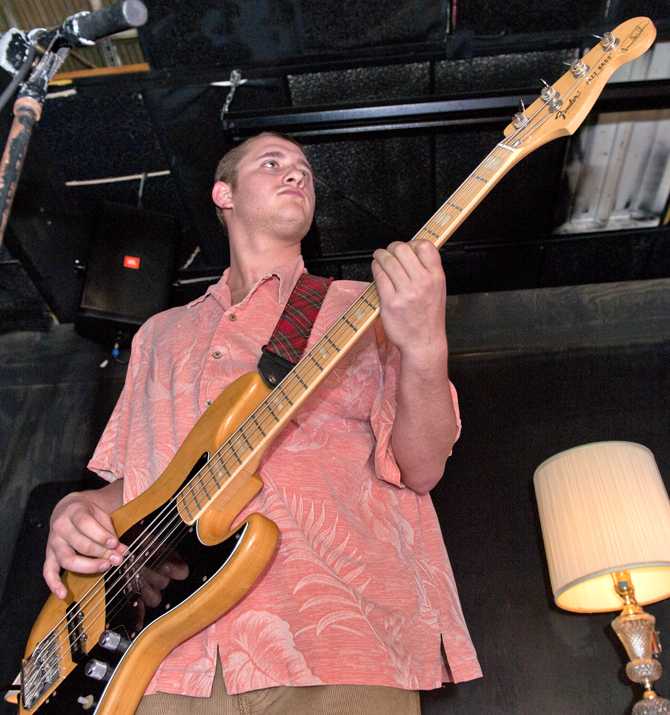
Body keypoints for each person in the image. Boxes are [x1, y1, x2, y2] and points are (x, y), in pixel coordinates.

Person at [43, 132, 481, 714]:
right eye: (272, 163)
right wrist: (77, 511)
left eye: (304, 169)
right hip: (162, 666)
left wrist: (425, 345)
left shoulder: (368, 308)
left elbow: (422, 467)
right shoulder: (160, 335)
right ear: (223, 194)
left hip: (335, 646)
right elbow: (145, 486)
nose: (296, 175)